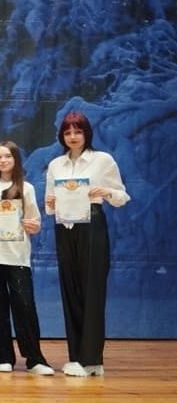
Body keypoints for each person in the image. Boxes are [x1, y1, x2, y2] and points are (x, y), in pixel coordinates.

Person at [44, 112, 129, 377]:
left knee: (93, 291)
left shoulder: (102, 160)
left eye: (77, 132)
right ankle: (77, 357)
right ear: (62, 136)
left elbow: (121, 196)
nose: (73, 137)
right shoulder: (56, 164)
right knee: (71, 291)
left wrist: (107, 192)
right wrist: (51, 203)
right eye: (68, 132)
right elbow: (50, 205)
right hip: (65, 227)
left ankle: (92, 359)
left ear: (86, 134)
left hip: (92, 225)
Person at [0, 141, 54, 374]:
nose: (3, 161)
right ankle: (2, 356)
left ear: (16, 159)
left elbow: (35, 222)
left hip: (17, 256)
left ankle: (35, 359)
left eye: (7, 156)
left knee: (25, 307)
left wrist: (33, 226)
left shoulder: (26, 188)